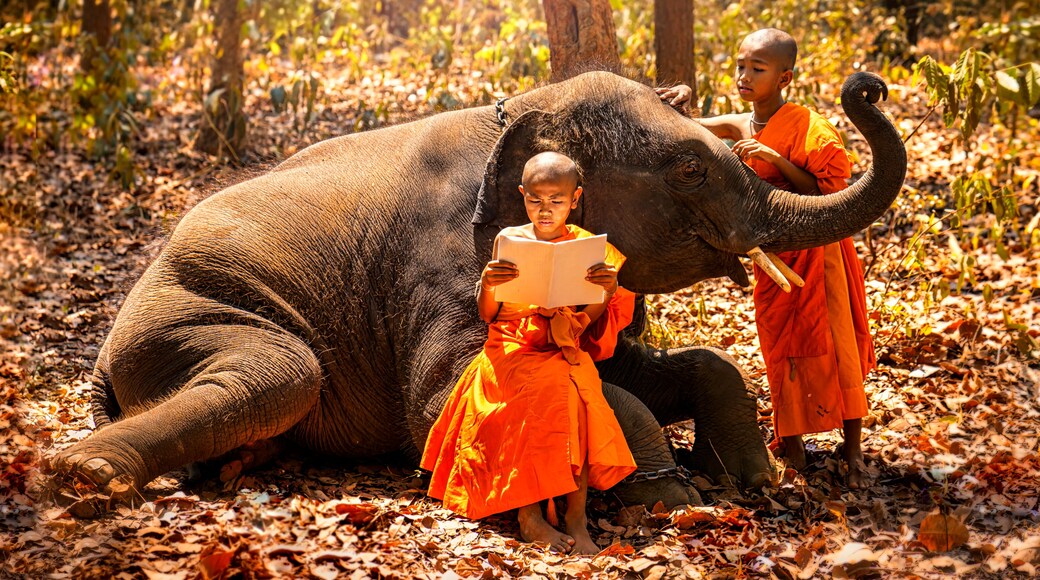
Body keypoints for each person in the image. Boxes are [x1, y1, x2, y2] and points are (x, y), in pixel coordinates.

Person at [660, 28, 876, 488]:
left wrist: (776, 160)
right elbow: (684, 128)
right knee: (781, 348)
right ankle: (794, 448)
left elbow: (829, 192)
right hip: (773, 253)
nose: (744, 76)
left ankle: (854, 451)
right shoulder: (740, 124)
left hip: (821, 251)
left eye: (757, 69)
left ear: (785, 77)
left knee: (837, 349)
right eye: (740, 66)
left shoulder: (808, 125)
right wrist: (680, 98)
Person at [421, 152, 638, 553]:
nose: (545, 209)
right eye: (535, 200)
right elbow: (489, 315)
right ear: (522, 196)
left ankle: (576, 517)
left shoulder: (590, 249)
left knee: (578, 393)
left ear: (575, 199)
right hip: (511, 346)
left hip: (561, 345)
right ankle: (530, 517)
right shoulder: (509, 240)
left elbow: (588, 320)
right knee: (536, 393)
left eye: (556, 200)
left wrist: (603, 291)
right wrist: (487, 284)